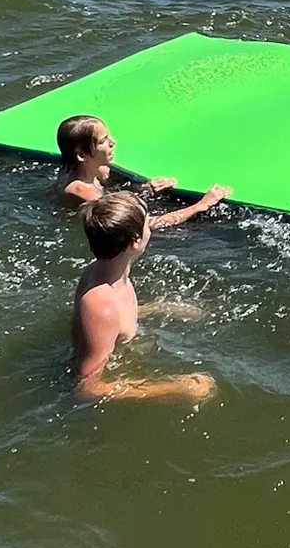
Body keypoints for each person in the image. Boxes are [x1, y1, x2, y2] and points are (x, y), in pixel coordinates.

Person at [70, 191, 218, 403]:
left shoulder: (104, 271)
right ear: (135, 242)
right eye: (147, 222)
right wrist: (177, 388)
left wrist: (160, 308)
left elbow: (117, 322)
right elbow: (87, 387)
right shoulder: (101, 307)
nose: (151, 225)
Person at [54, 114, 230, 228]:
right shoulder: (81, 192)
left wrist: (145, 189)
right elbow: (148, 224)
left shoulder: (96, 170)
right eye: (103, 141)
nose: (113, 142)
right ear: (82, 154)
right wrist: (201, 205)